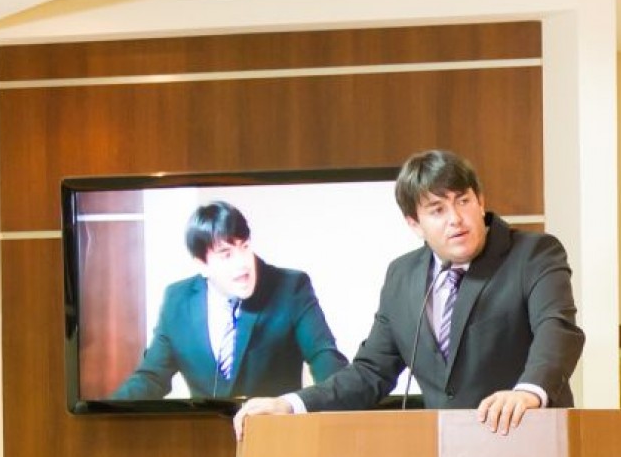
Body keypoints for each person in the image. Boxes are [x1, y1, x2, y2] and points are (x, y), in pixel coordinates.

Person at [233, 149, 586, 440]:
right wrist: (291, 403)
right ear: (413, 223)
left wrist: (528, 392)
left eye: (463, 201)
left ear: (481, 202)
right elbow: (371, 373)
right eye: (437, 210)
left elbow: (557, 330)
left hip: (530, 443)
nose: (456, 219)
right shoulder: (403, 276)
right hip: (444, 456)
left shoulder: (534, 254)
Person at [110, 201, 348, 401]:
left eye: (244, 247)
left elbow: (324, 358)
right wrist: (107, 416)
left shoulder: (290, 287)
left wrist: (344, 407)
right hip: (204, 444)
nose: (243, 263)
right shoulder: (177, 300)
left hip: (275, 440)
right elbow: (151, 377)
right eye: (226, 254)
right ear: (201, 264)